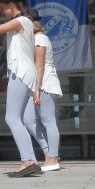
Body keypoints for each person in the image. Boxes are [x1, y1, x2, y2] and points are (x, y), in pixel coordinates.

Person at [0, 0, 41, 177]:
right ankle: (30, 160)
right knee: (19, 118)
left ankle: (28, 160)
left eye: (3, 7)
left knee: (12, 118)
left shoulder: (20, 21)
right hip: (24, 71)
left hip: (21, 71)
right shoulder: (24, 21)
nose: (2, 11)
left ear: (10, 5)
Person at [23, 12, 62, 171]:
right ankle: (48, 153)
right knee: (28, 120)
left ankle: (53, 158)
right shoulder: (35, 39)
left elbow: (40, 65)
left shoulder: (39, 38)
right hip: (38, 85)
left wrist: (37, 89)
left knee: (48, 121)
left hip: (44, 84)